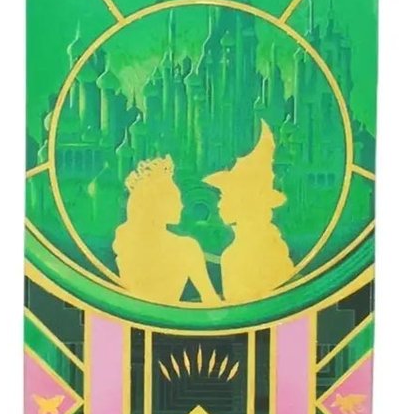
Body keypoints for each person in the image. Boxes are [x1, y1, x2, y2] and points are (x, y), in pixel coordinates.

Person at [204, 122, 294, 301]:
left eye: (224, 196)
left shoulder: (243, 253)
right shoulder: (246, 249)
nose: (219, 204)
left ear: (244, 201)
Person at [112, 157, 220, 304]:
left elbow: (211, 302)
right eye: (174, 198)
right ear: (156, 203)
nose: (181, 206)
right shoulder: (186, 248)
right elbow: (212, 302)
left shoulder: (187, 248)